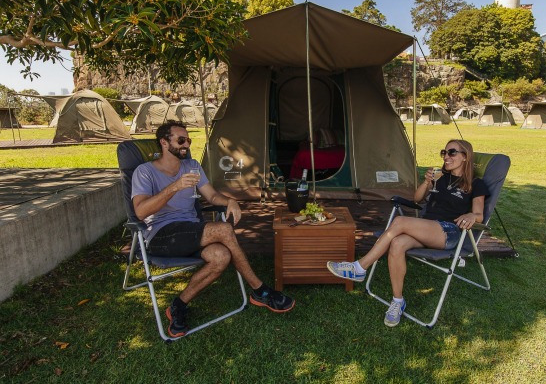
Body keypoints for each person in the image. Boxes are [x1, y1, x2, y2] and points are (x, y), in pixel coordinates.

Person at [132, 120, 295, 337]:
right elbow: (141, 212)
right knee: (224, 230)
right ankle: (259, 290)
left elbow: (212, 196)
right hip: (162, 236)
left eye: (188, 140)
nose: (186, 145)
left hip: (191, 232)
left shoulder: (192, 166)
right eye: (181, 140)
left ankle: (178, 306)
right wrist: (175, 186)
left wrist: (229, 201)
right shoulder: (144, 172)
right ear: (163, 142)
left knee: (221, 256)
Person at [327, 139, 489, 327]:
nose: (446, 156)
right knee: (397, 244)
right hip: (427, 228)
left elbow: (479, 215)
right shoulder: (441, 178)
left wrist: (470, 214)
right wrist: (427, 182)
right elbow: (417, 199)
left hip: (450, 231)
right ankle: (397, 301)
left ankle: (360, 267)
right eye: (444, 152)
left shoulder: (476, 184)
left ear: (465, 157)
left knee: (400, 221)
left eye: (452, 152)